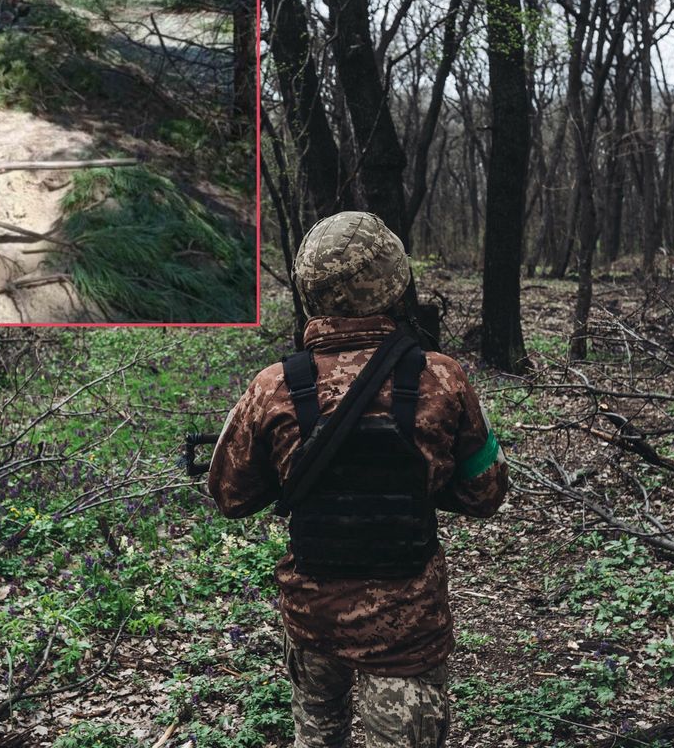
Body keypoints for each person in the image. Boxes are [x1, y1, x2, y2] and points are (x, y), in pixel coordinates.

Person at [207, 211, 509, 748]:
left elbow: (229, 495)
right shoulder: (442, 377)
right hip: (407, 629)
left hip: (312, 621)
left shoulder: (273, 386)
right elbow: (485, 493)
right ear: (395, 278)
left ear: (309, 291)